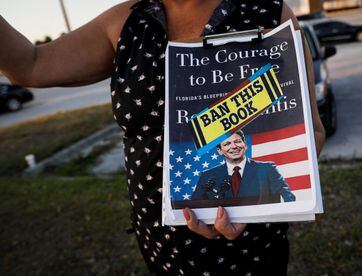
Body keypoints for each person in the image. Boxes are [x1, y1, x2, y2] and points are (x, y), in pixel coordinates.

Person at [0, 0, 326, 274]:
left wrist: (245, 209)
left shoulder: (268, 13)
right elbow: (30, 66)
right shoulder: (127, 21)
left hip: (250, 249)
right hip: (162, 251)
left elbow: (311, 131)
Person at [192, 130, 296, 205]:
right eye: (227, 144)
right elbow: (195, 206)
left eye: (237, 141)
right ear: (219, 151)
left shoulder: (267, 169)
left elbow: (288, 198)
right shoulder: (207, 176)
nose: (233, 146)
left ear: (245, 145)